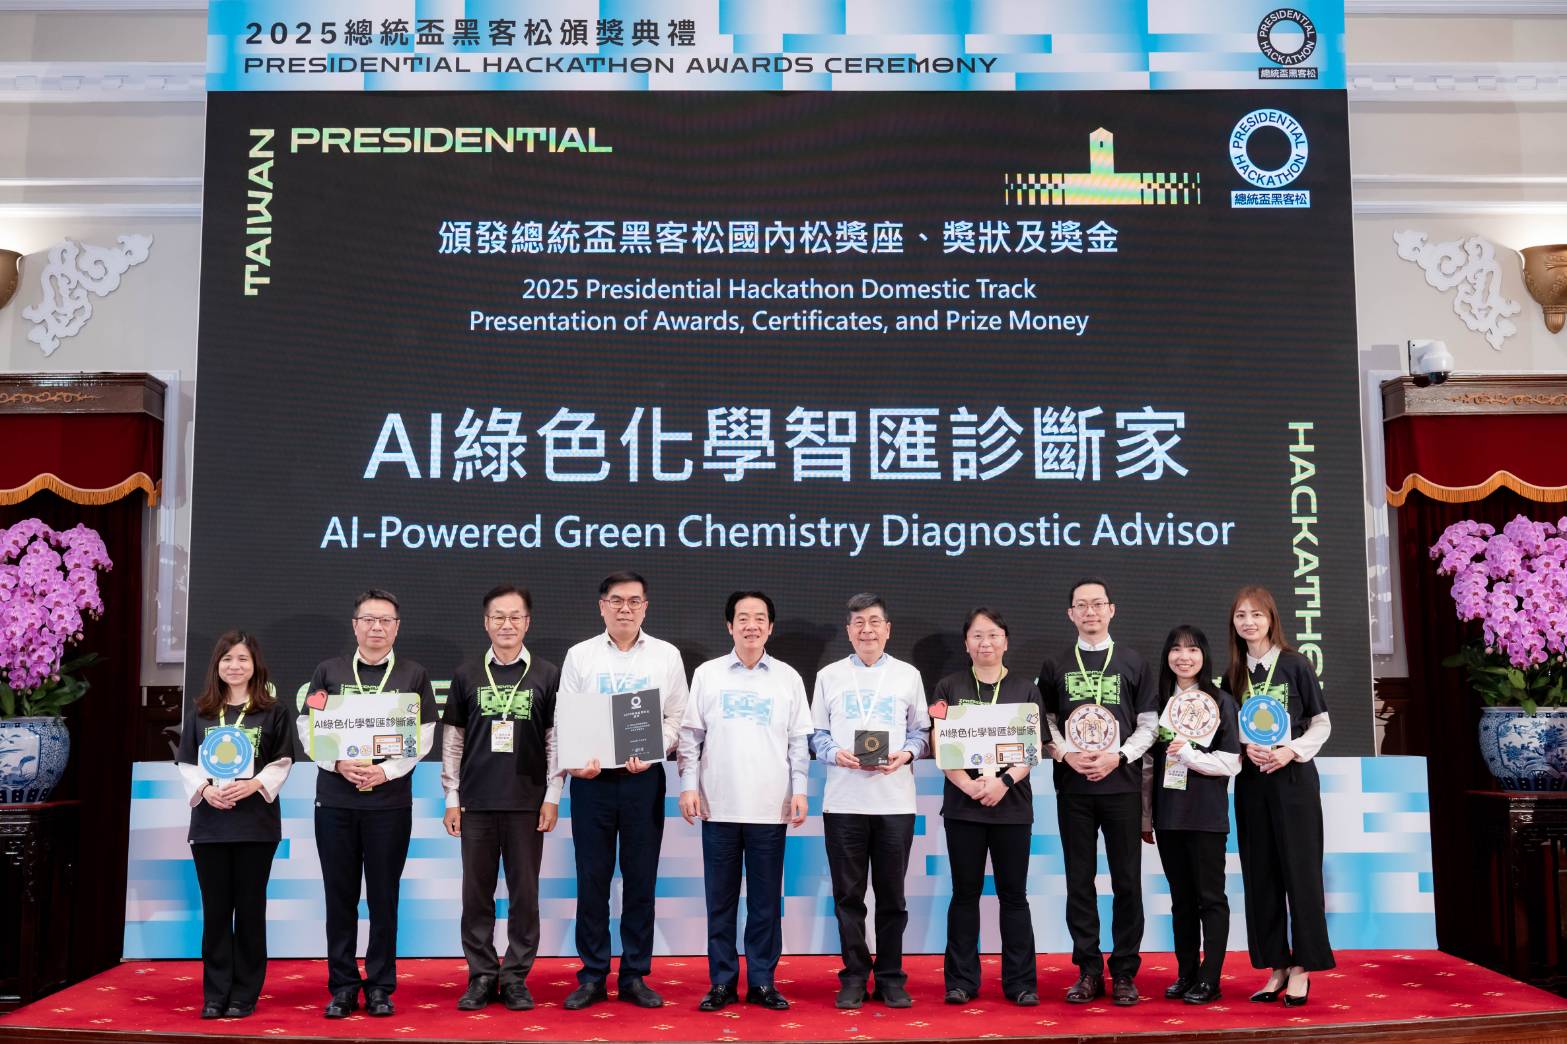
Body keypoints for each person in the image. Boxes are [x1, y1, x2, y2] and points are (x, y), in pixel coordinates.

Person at [299, 589, 437, 1019]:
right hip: (335, 802)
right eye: (369, 620)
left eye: (385, 621)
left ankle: (380, 986)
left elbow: (425, 734)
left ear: (397, 627)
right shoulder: (328, 672)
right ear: (355, 625)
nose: (377, 627)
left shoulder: (413, 675)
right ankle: (342, 986)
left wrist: (387, 771)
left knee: (383, 898)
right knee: (339, 897)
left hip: (389, 804)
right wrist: (336, 762)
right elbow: (306, 724)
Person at [558, 571, 690, 1011]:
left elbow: (677, 719)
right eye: (616, 601)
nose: (625, 609)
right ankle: (593, 974)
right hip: (592, 783)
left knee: (640, 880)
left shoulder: (666, 656)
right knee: (592, 880)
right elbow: (565, 717)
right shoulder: (580, 656)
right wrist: (575, 761)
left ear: (645, 607)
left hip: (642, 781)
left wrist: (655, 750)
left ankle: (634, 974)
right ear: (602, 606)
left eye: (634, 601)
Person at [677, 591, 812, 1012]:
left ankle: (762, 982)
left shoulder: (788, 677)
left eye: (759, 618)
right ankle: (721, 982)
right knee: (720, 902)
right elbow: (690, 738)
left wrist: (800, 790)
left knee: (765, 904)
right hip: (718, 806)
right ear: (729, 626)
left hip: (770, 808)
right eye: (743, 618)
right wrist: (688, 786)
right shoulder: (708, 674)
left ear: (770, 627)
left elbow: (798, 742)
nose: (751, 625)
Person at [441, 584, 561, 1012]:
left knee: (525, 897)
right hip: (476, 803)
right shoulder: (466, 674)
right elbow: (453, 741)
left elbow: (554, 741)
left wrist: (552, 794)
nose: (506, 624)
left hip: (527, 804)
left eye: (514, 616)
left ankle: (514, 978)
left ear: (527, 622)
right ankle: (481, 975)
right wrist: (451, 797)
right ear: (486, 622)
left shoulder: (547, 674)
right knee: (476, 895)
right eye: (498, 616)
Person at [810, 592, 932, 1010]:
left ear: (887, 629)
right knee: (849, 897)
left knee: (893, 897)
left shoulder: (908, 675)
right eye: (858, 623)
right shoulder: (828, 676)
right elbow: (816, 734)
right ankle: (854, 976)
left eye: (874, 622)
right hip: (844, 803)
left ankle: (892, 977)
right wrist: (835, 754)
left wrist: (906, 755)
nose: (867, 630)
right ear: (848, 631)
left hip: (895, 803)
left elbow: (921, 732)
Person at [1040, 577, 1157, 1006]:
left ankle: (1124, 971)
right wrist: (1066, 754)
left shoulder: (1133, 662)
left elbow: (1149, 724)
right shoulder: (1054, 664)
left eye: (1097, 604)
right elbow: (1045, 722)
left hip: (1121, 786)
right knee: (1079, 880)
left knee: (1127, 881)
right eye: (1081, 605)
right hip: (1073, 788)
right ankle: (1088, 970)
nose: (1090, 612)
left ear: (1111, 610)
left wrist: (1119, 757)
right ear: (1070, 614)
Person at [176, 631, 293, 1020]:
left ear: (255, 665)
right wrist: (206, 790)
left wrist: (254, 785)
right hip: (209, 826)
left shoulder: (272, 712)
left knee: (250, 910)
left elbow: (282, 761)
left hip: (255, 826)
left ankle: (245, 992)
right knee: (215, 912)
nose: (235, 666)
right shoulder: (202, 712)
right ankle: (215, 992)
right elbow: (187, 763)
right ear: (217, 666)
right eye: (227, 659)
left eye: (243, 659)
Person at [1226, 585, 1333, 1008]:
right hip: (1253, 784)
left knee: (1300, 872)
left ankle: (1303, 966)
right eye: (1241, 615)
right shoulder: (1233, 674)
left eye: (1256, 614)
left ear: (1271, 619)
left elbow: (1321, 723)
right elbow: (1229, 728)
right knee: (1261, 875)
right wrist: (1243, 746)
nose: (1249, 622)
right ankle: (1277, 965)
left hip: (1293, 781)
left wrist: (1292, 750)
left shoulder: (1295, 664)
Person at [930, 608, 1039, 1007]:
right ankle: (961, 981)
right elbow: (940, 741)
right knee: (964, 894)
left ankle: (1021, 983)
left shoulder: (1026, 689)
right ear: (966, 644)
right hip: (964, 808)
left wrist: (1003, 783)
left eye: (992, 635)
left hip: (1012, 807)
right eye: (977, 636)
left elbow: (1031, 749)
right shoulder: (948, 686)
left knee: (1014, 896)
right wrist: (968, 785)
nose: (985, 643)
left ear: (1005, 641)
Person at [1143, 625, 1241, 1005]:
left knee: (1210, 898)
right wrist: (1146, 816)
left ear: (1204, 656)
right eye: (1176, 649)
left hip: (1206, 815)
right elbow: (1148, 766)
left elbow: (1231, 762)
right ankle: (1186, 973)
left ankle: (1210, 978)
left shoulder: (1220, 701)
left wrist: (1189, 754)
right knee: (1180, 900)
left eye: (1193, 649)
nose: (1184, 657)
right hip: (1169, 815)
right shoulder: (1158, 704)